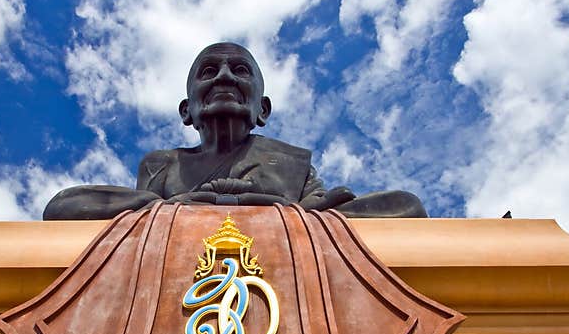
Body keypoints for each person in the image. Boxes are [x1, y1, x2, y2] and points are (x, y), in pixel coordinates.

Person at [43, 42, 427, 220]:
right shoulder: (162, 165)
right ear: (186, 110)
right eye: (208, 72)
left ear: (262, 109)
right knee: (63, 206)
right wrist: (168, 204)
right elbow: (138, 223)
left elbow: (321, 215)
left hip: (284, 259)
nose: (224, 76)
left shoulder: (292, 164)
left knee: (406, 206)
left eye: (239, 71)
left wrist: (290, 210)